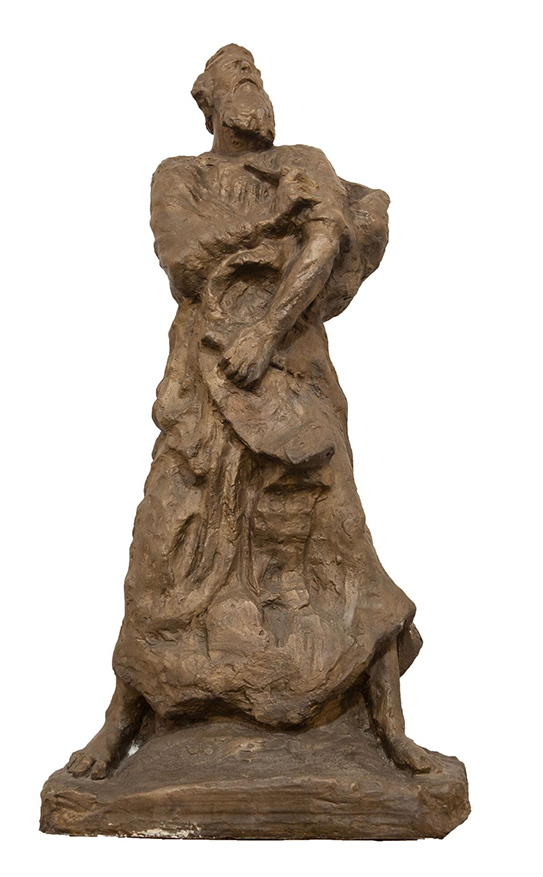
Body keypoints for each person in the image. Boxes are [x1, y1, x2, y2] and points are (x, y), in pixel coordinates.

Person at [67, 45, 435, 781]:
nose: (256, 94)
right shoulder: (180, 175)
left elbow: (326, 239)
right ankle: (121, 721)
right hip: (204, 380)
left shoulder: (304, 160)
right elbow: (185, 258)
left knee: (338, 540)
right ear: (208, 103)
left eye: (259, 81)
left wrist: (266, 332)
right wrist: (276, 217)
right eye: (239, 82)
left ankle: (388, 728)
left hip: (291, 371)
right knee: (167, 542)